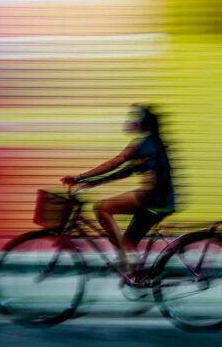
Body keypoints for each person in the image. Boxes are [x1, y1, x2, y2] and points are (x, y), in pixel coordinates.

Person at [61, 104, 175, 274]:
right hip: (164, 200)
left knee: (101, 208)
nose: (131, 122)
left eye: (135, 119)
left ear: (143, 123)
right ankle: (136, 277)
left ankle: (126, 256)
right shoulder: (153, 144)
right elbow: (124, 172)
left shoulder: (144, 144)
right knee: (129, 242)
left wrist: (80, 177)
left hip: (154, 198)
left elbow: (115, 163)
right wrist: (90, 183)